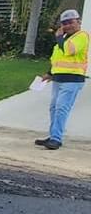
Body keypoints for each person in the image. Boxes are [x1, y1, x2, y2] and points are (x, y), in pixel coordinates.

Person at [36, 9, 88, 150]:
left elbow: (70, 51)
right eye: (64, 23)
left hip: (73, 80)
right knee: (54, 108)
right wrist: (49, 74)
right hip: (58, 79)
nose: (68, 25)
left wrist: (59, 38)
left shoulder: (81, 36)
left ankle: (56, 139)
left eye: (70, 22)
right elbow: (57, 60)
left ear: (78, 21)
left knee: (61, 108)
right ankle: (53, 135)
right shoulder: (64, 39)